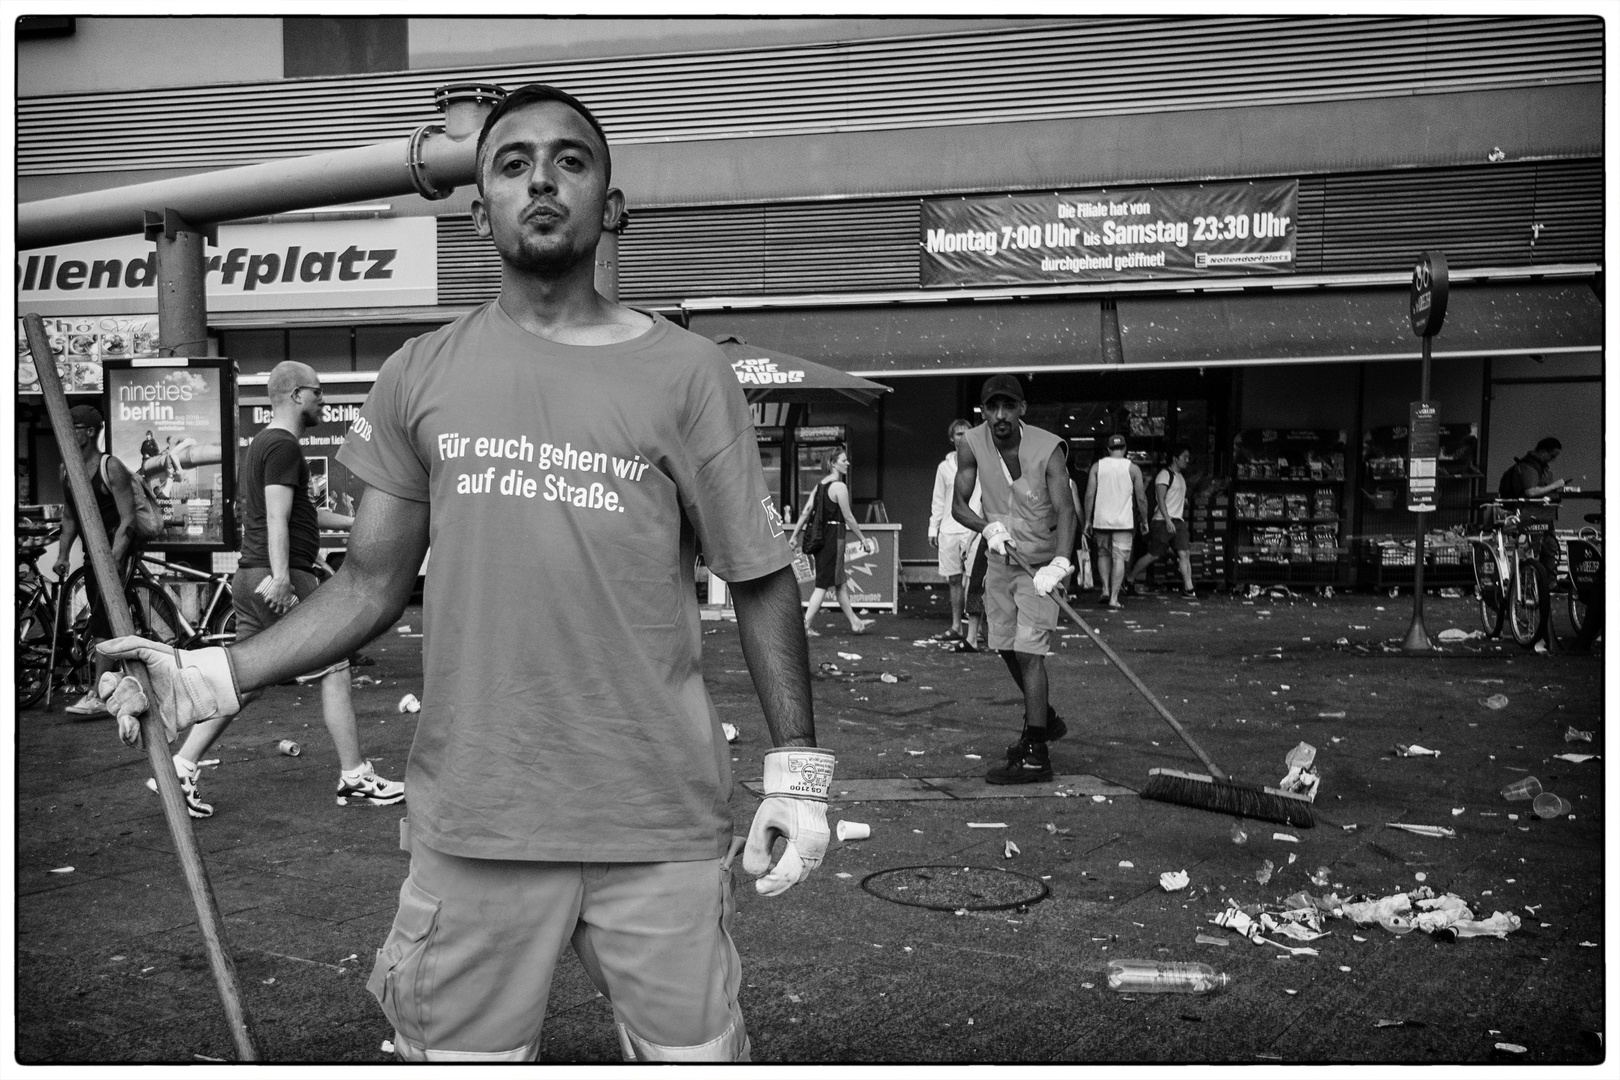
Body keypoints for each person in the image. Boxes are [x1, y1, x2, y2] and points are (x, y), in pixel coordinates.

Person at [97, 83, 827, 1063]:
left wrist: (800, 773)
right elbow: (365, 584)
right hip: (477, 823)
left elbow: (758, 575)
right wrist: (207, 675)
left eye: (571, 159)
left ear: (611, 203)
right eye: (513, 161)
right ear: (478, 207)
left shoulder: (689, 374)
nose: (542, 179)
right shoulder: (417, 375)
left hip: (658, 820)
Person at [151, 361, 403, 819]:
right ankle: (355, 776)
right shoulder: (283, 446)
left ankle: (181, 766)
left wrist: (358, 524)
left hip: (252, 575)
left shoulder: (268, 446)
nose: (323, 401)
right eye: (318, 392)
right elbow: (275, 516)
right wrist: (284, 575)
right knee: (334, 664)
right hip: (275, 575)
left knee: (246, 678)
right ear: (295, 395)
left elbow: (302, 512)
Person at [952, 374, 1077, 785]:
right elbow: (959, 505)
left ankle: (1037, 752)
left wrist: (1060, 562)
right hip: (1002, 562)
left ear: (1022, 408)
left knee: (1029, 652)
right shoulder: (970, 443)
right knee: (1003, 645)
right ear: (983, 411)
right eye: (992, 407)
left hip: (1040, 569)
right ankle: (1045, 718)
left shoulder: (1048, 448)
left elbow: (1066, 510)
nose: (1000, 415)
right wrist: (987, 528)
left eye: (1008, 406)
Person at [53, 404, 139, 716]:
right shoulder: (67, 469)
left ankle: (99, 695)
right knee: (103, 617)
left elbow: (128, 517)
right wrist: (63, 554)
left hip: (118, 553)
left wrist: (115, 558)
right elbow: (70, 516)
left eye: (74, 427)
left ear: (90, 432)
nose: (67, 432)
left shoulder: (110, 466)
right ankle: (119, 681)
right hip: (92, 556)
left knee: (104, 618)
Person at [788, 445, 875, 636]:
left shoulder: (819, 486)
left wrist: (794, 536)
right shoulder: (839, 487)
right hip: (834, 537)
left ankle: (855, 622)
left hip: (821, 538)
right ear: (833, 463)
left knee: (839, 584)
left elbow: (805, 511)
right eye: (844, 460)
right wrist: (863, 539)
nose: (847, 464)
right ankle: (805, 625)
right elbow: (849, 517)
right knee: (823, 584)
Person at [927, 419, 981, 641]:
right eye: (959, 434)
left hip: (973, 529)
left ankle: (975, 631)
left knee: (975, 580)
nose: (963, 437)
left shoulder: (982, 462)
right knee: (954, 580)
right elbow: (938, 499)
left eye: (967, 433)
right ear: (952, 438)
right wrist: (933, 527)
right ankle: (957, 625)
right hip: (949, 529)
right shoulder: (944, 467)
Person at [1083, 433, 1148, 610]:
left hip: (1101, 520)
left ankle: (1104, 589)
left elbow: (1089, 495)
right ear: (1125, 449)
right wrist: (1144, 519)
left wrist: (1087, 520)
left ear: (1108, 449)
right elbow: (1141, 498)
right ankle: (1114, 598)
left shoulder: (1097, 467)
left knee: (1103, 554)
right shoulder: (1133, 468)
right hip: (1123, 522)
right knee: (1119, 558)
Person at [1126, 443, 1197, 599]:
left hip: (1178, 520)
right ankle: (1130, 578)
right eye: (1184, 456)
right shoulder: (1164, 475)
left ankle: (1189, 588)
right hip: (1163, 521)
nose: (1187, 459)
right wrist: (1167, 520)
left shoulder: (1181, 478)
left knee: (1184, 553)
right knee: (1154, 554)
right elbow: (1160, 498)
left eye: (1188, 456)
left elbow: (1172, 498)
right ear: (1175, 458)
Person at [1501, 436, 1566, 577]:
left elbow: (1543, 489)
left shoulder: (1543, 467)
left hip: (1544, 516)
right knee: (1532, 551)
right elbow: (1530, 491)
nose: (1553, 459)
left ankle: (1548, 583)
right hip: (1530, 516)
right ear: (1543, 451)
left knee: (1550, 549)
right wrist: (1555, 485)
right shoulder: (1528, 466)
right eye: (1552, 455)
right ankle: (1531, 584)